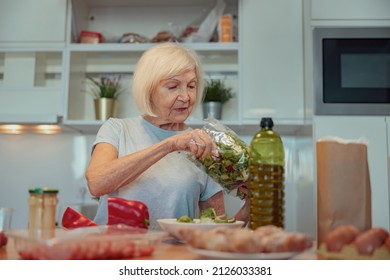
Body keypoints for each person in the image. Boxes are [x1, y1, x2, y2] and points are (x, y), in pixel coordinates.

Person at [85, 42, 249, 230]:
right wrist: (169, 144)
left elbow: (217, 232)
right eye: (173, 86)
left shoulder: (203, 144)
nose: (186, 97)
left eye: (191, 86)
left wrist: (250, 207)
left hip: (173, 257)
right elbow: (97, 183)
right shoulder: (117, 129)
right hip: (115, 254)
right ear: (149, 89)